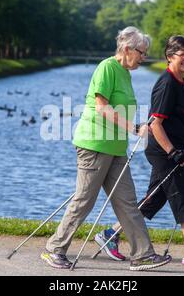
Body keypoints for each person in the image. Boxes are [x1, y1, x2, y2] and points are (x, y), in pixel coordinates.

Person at [41, 27, 172, 271]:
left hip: (115, 148)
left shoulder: (125, 73)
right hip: (94, 145)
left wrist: (139, 127)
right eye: (142, 53)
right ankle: (54, 249)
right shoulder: (107, 68)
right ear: (126, 49)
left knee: (127, 202)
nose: (144, 58)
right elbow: (102, 108)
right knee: (84, 200)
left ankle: (142, 254)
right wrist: (134, 128)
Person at [96, 35, 184, 266]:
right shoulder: (167, 83)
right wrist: (173, 152)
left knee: (154, 198)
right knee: (183, 194)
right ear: (169, 57)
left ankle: (110, 235)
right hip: (163, 151)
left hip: (171, 148)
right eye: (182, 54)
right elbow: (155, 123)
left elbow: (176, 122)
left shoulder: (181, 82)